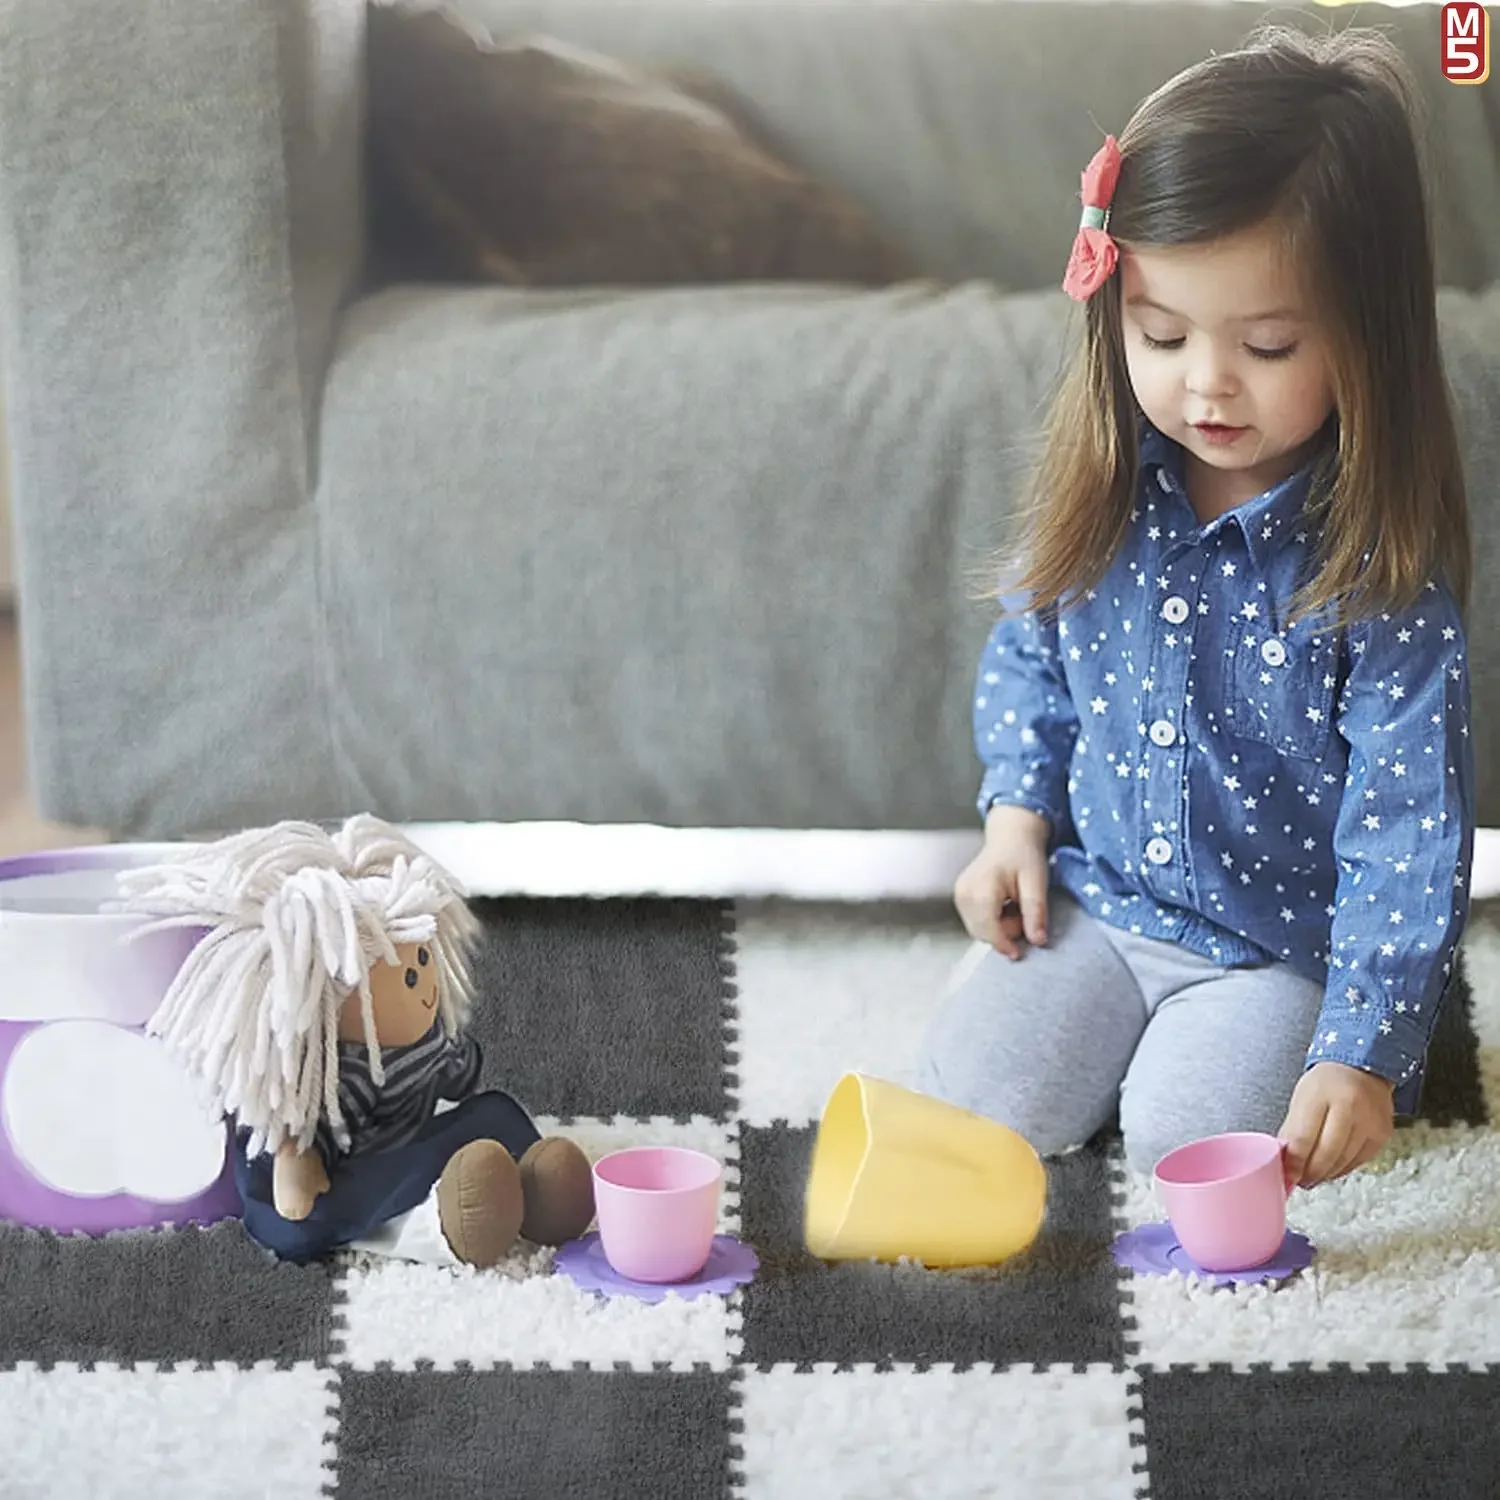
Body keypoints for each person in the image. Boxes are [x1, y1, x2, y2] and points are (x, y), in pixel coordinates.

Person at [914, 24, 1475, 1189]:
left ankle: (1213, 1059)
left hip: (1275, 958)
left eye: (1267, 345)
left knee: (1193, 1146)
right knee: (972, 1106)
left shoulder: (1378, 578)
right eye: (1160, 335)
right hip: (1102, 913)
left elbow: (1408, 834)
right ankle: (1121, 1039)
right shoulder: (1109, 495)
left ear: (1363, 342)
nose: (1206, 382)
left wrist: (1360, 1053)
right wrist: (1012, 825)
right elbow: (1033, 659)